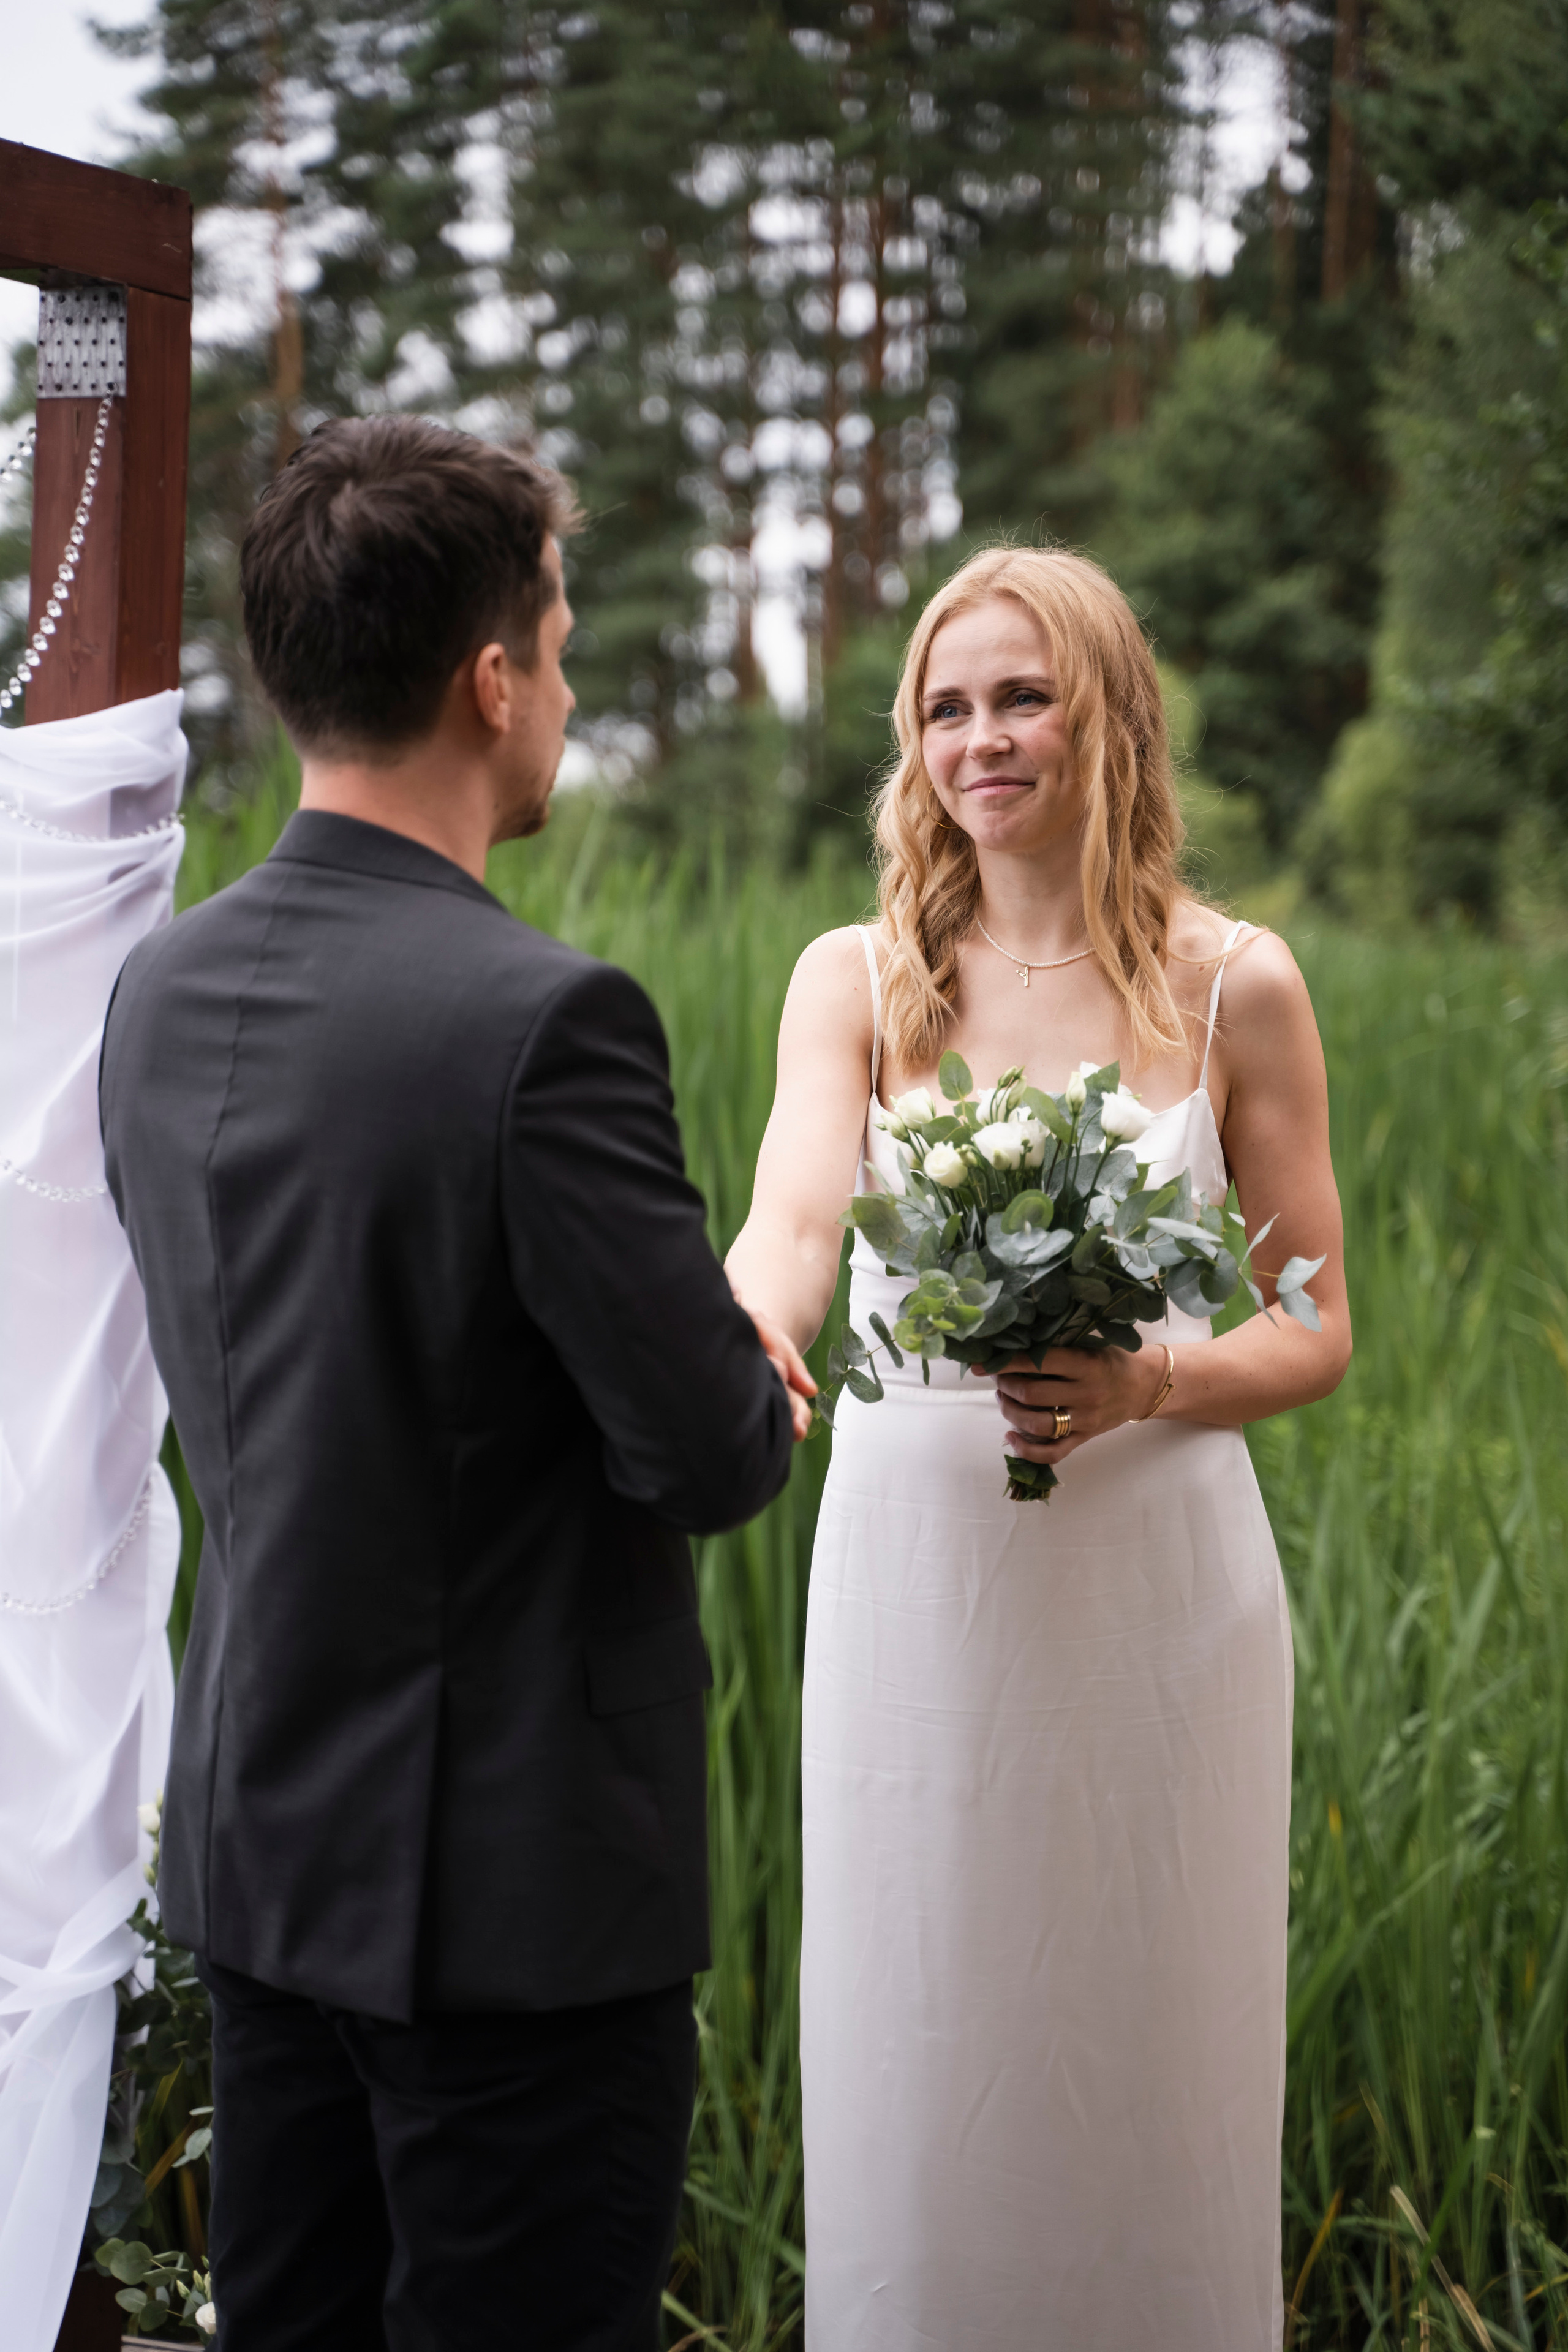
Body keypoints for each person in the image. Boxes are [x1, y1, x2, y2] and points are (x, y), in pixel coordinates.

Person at [99, 416, 812, 2352]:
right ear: (491, 683)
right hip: (512, 1918)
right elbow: (705, 1450)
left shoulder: (157, 994)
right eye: (563, 651)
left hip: (260, 1862)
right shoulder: (542, 1023)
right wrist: (747, 1344)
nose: (566, 693)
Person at [726, 545, 1352, 2350]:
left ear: (1107, 713)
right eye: (945, 704)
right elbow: (790, 1226)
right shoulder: (854, 977)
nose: (979, 738)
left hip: (1160, 1597)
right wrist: (743, 1330)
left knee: (1149, 2037)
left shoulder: (1239, 985)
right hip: (916, 1587)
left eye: (1021, 695)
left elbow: (1312, 1319)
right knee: (927, 2034)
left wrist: (1153, 1384)